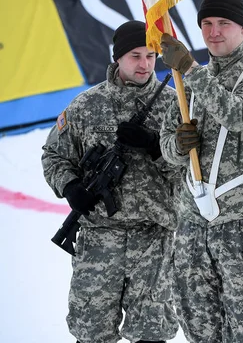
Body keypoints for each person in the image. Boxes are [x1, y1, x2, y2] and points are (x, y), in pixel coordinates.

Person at [158, 0, 243, 343]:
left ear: (242, 28)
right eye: (207, 23)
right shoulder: (187, 85)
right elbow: (166, 145)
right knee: (198, 330)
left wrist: (191, 70)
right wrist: (180, 147)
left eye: (224, 23)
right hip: (194, 228)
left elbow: (238, 114)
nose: (214, 32)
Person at [41, 20, 180, 343]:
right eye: (135, 56)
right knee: (90, 330)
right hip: (99, 238)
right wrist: (70, 187)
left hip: (154, 237)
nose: (144, 64)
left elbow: (193, 172)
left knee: (152, 330)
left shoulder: (175, 106)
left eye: (150, 55)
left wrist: (155, 147)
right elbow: (54, 155)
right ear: (117, 57)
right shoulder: (86, 106)